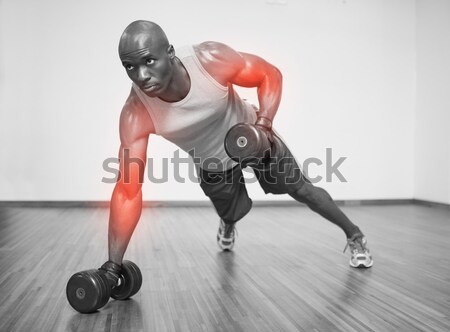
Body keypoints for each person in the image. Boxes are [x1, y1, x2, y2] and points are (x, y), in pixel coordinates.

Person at [101, 20, 373, 280]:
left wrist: (264, 126)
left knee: (302, 189)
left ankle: (355, 235)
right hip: (212, 163)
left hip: (254, 138)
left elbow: (270, 74)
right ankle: (229, 222)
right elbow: (128, 191)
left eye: (148, 61)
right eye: (130, 66)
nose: (141, 75)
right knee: (231, 212)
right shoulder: (136, 113)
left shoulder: (209, 60)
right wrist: (113, 266)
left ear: (169, 53)